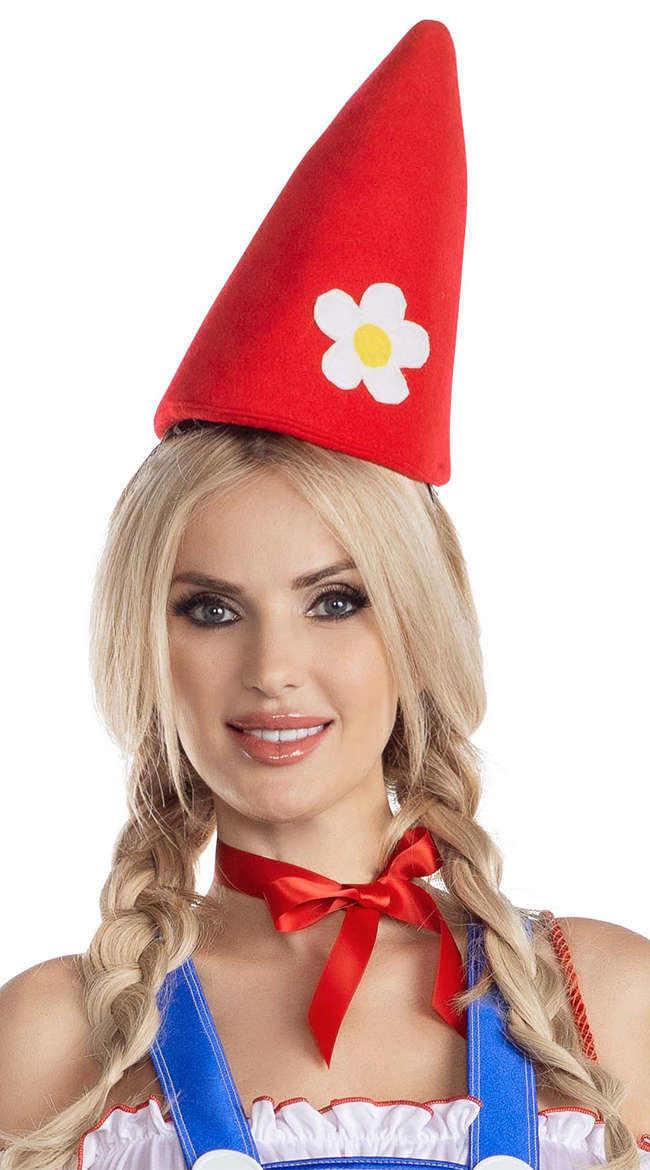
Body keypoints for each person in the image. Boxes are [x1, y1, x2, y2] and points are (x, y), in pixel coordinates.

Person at [1, 18, 649, 1170]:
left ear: (419, 627)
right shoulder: (61, 1041)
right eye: (209, 609)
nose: (271, 669)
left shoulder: (601, 1005)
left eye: (334, 601)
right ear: (143, 644)